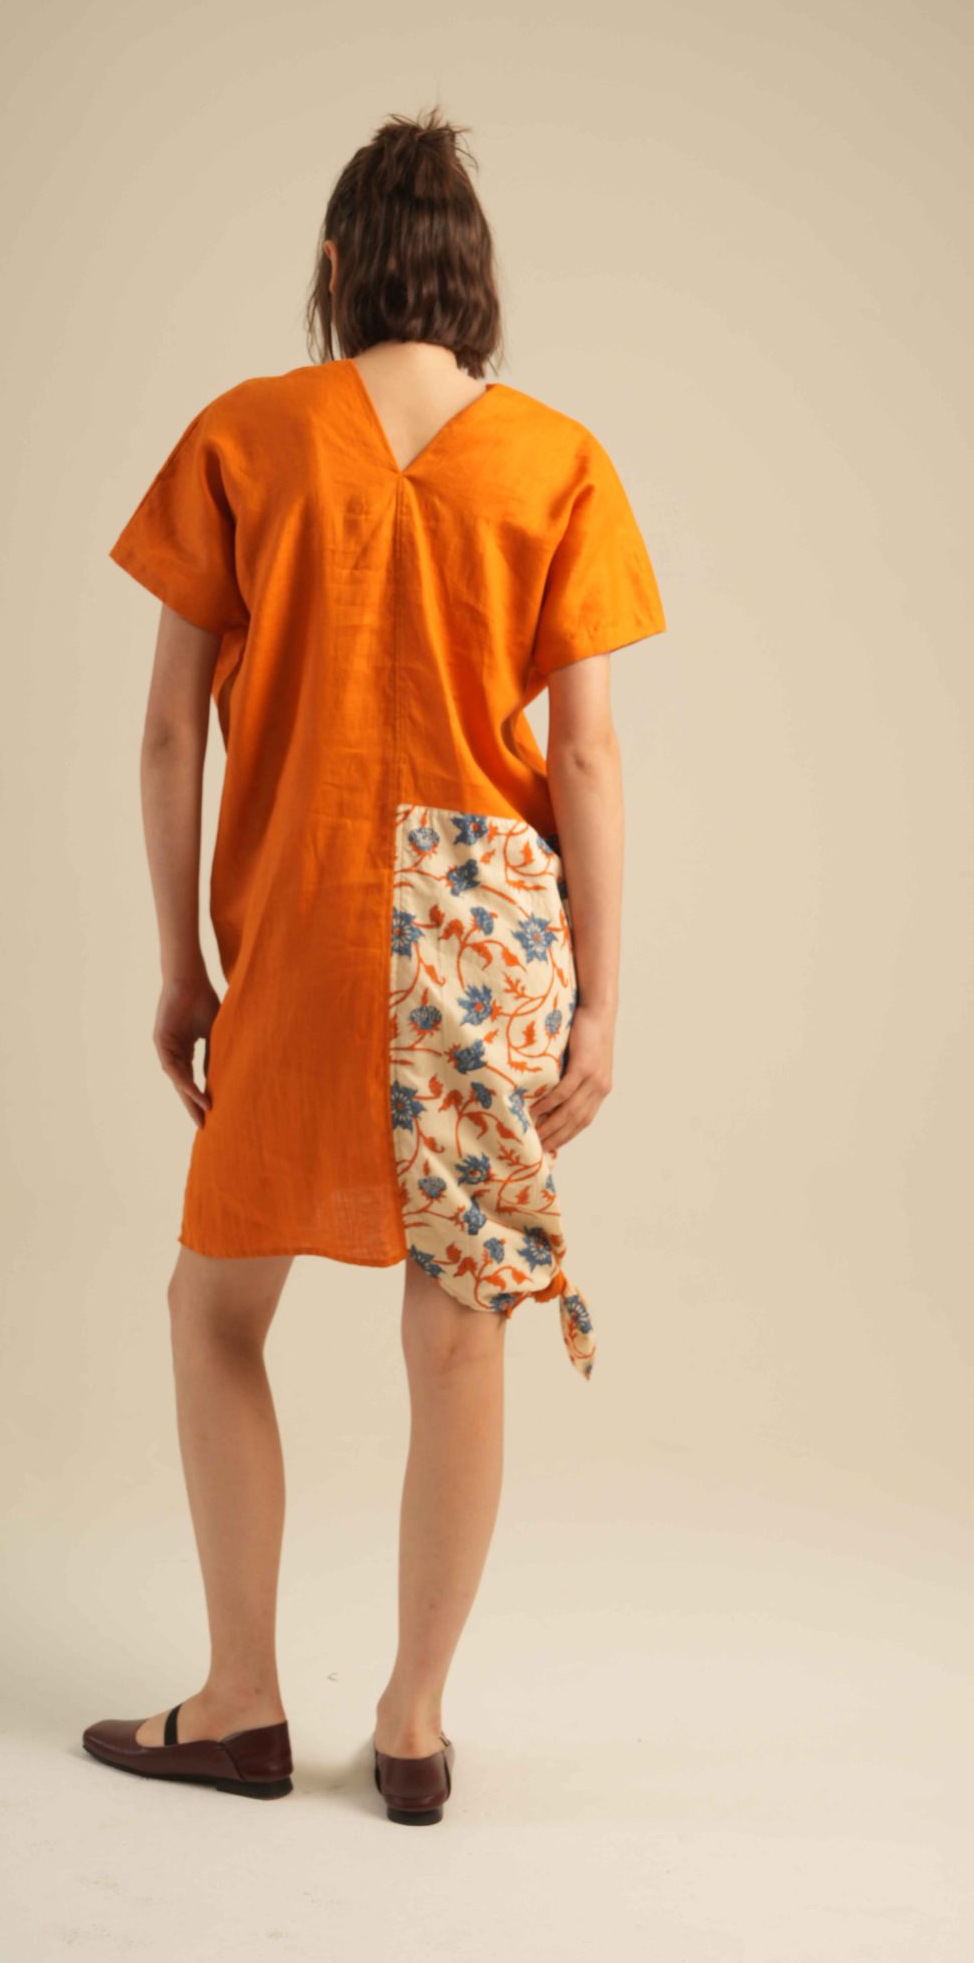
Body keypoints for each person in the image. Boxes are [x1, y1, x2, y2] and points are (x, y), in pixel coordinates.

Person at [83, 107, 668, 1825]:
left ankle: (240, 1704)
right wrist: (603, 999)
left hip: (308, 921)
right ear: (472, 283)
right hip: (486, 934)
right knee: (459, 1329)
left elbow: (168, 730)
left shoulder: (244, 434)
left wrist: (181, 962)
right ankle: (410, 1729)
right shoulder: (558, 459)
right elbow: (586, 758)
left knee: (213, 1309)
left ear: (335, 268)